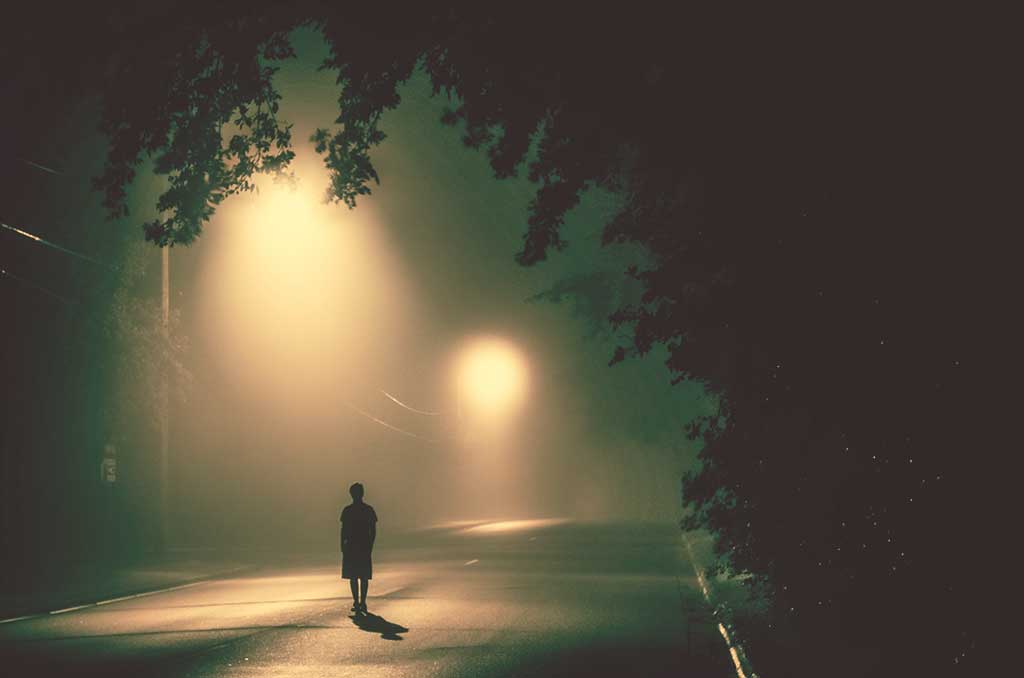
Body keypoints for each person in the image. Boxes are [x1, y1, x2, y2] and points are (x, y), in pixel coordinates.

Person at [340, 482, 377, 614]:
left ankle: (357, 601)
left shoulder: (347, 511)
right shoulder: (368, 510)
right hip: (363, 546)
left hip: (351, 546)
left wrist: (342, 546)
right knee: (363, 576)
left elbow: (343, 531)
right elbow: (373, 530)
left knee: (353, 576)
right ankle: (362, 601)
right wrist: (370, 544)